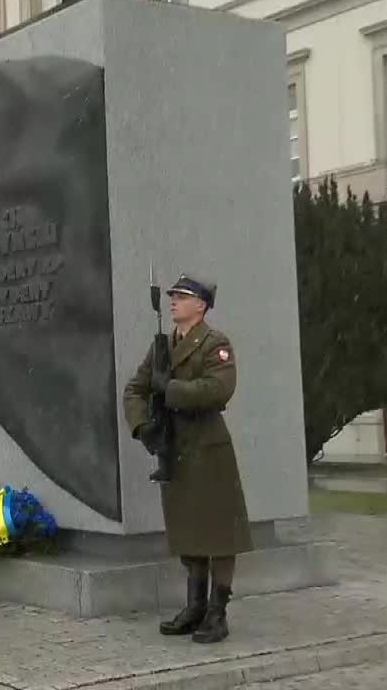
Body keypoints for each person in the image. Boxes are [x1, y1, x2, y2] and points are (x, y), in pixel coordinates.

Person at [123, 274, 251, 644]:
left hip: (208, 448)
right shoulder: (162, 347)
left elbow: (218, 389)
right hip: (174, 449)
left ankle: (217, 612)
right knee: (188, 530)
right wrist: (143, 426)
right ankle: (194, 607)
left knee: (219, 534)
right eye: (173, 297)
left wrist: (172, 389)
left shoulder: (216, 343)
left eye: (182, 296)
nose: (174, 302)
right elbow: (135, 388)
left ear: (202, 305)